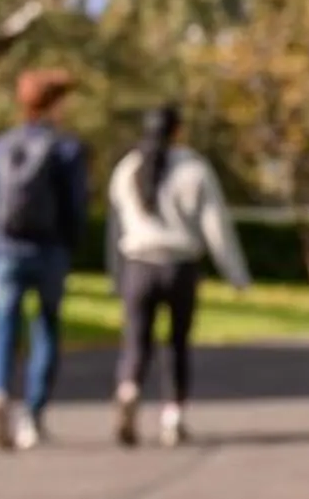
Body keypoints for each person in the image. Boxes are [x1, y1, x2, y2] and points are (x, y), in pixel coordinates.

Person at [106, 104, 250, 448]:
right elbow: (215, 226)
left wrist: (115, 273)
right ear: (178, 130)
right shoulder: (194, 169)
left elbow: (115, 226)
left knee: (136, 341)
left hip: (138, 263)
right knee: (177, 345)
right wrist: (235, 274)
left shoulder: (127, 168)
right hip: (180, 266)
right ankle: (173, 416)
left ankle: (129, 389)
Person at [0, 68, 90, 452]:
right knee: (46, 329)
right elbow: (76, 207)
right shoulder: (66, 149)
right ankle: (32, 416)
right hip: (49, 251)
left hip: (4, 249)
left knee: (2, 330)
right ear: (56, 104)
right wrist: (71, 247)